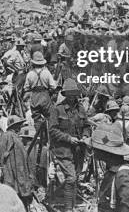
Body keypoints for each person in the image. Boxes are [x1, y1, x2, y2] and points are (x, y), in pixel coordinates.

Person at [49, 78, 89, 212]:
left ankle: (70, 202)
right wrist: (68, 138)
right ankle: (68, 209)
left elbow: (87, 126)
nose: (73, 98)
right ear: (65, 95)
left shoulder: (81, 108)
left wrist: (85, 136)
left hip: (79, 150)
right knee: (71, 178)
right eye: (70, 95)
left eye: (74, 95)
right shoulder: (57, 109)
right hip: (63, 150)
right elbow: (53, 130)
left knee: (75, 177)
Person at [90, 124, 129, 212]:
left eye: (96, 148)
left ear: (106, 152)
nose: (93, 151)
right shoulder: (111, 171)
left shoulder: (123, 175)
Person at [0, 115, 33, 209]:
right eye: (19, 125)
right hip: (12, 172)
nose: (20, 127)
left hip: (19, 171)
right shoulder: (6, 136)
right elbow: (2, 156)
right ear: (14, 126)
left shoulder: (15, 137)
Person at [23, 51, 56, 133]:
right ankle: (49, 134)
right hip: (45, 95)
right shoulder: (47, 73)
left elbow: (26, 88)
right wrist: (49, 93)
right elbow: (53, 86)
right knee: (49, 117)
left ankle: (39, 135)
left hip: (34, 96)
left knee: (36, 118)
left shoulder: (30, 74)